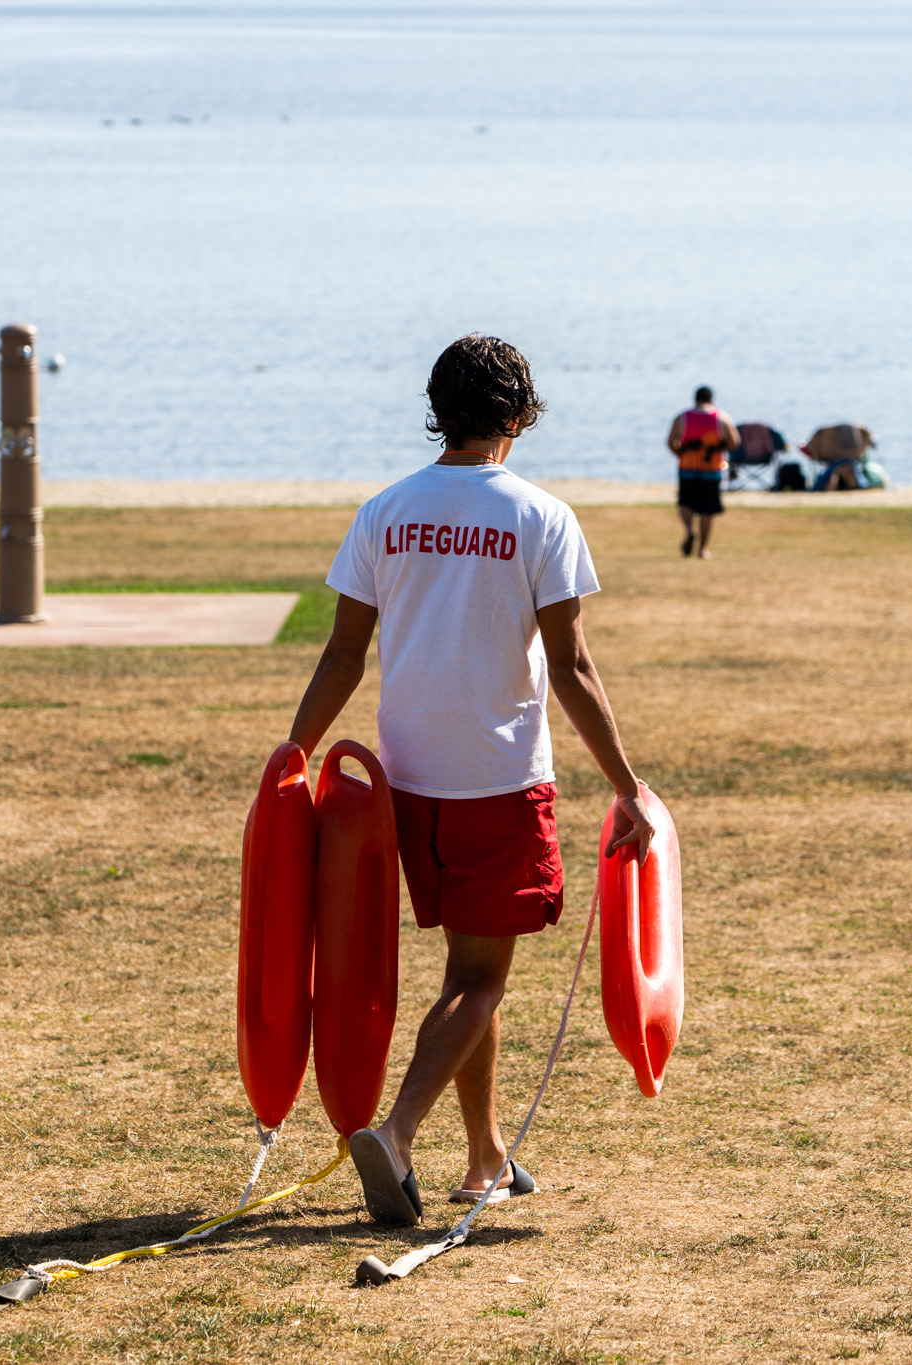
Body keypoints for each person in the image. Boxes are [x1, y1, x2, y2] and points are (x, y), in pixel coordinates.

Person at [287, 333, 651, 1225]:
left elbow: (342, 655)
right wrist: (630, 785)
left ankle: (486, 1152)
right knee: (481, 978)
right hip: (497, 777)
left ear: (437, 412)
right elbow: (572, 668)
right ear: (521, 416)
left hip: (404, 783)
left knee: (463, 968)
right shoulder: (540, 516)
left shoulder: (385, 510)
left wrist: (291, 756)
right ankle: (399, 1132)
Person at [667, 386, 738, 558]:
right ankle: (703, 549)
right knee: (708, 510)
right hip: (712, 469)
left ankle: (690, 531)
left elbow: (671, 441)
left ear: (695, 399)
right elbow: (734, 442)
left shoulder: (683, 417)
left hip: (687, 467)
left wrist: (680, 454)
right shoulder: (721, 417)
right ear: (711, 399)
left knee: (685, 503)